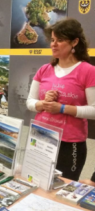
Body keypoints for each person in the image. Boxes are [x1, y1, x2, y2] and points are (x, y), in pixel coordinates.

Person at [26, 18, 95, 181]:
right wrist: (42, 104)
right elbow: (30, 102)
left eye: (60, 40)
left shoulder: (88, 71)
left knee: (61, 191)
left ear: (74, 42)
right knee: (36, 183)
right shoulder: (44, 70)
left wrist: (62, 108)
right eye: (52, 40)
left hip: (69, 144)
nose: (53, 44)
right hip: (41, 137)